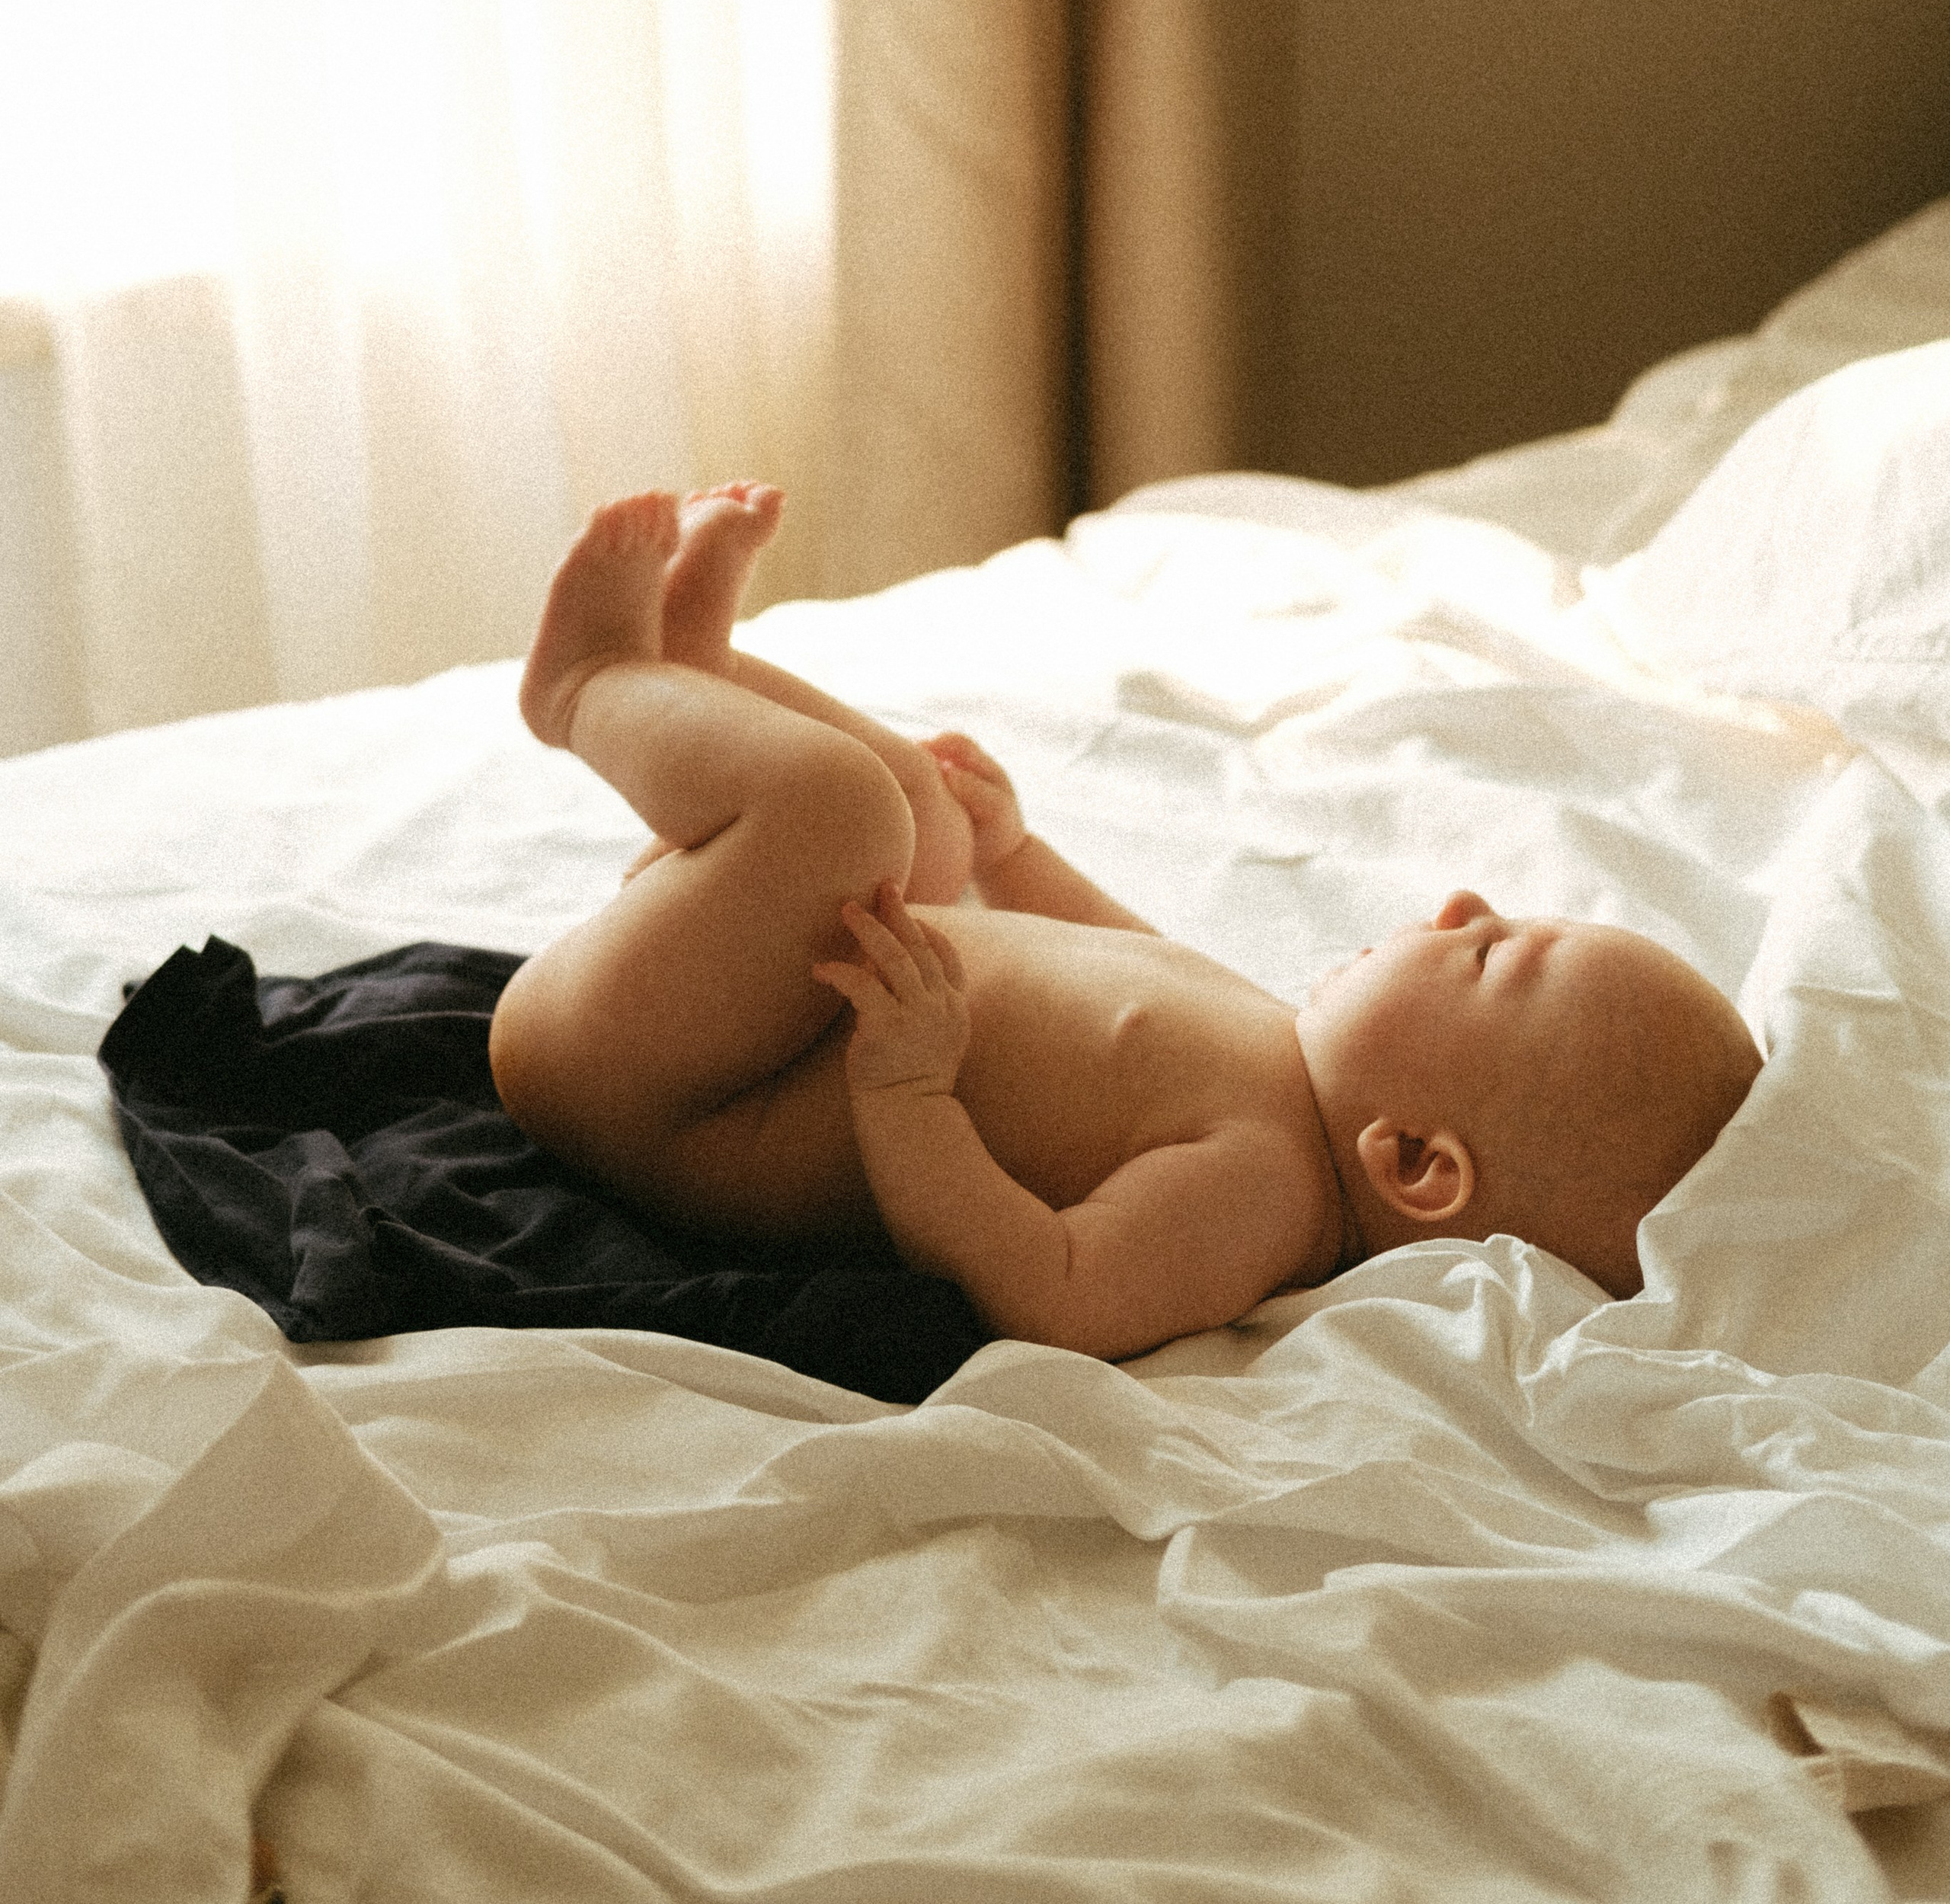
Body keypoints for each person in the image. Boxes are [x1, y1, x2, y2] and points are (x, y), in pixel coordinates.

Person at [488, 484, 1762, 1362]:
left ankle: (590, 687)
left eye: (1491, 955)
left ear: (1416, 1163)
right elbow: (1116, 945)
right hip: (754, 1008)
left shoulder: (1261, 1195)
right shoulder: (1279, 1055)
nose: (1459, 905)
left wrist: (914, 1094)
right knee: (920, 819)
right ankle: (694, 672)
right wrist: (1013, 851)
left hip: (670, 1085)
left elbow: (1054, 1289)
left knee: (842, 818)